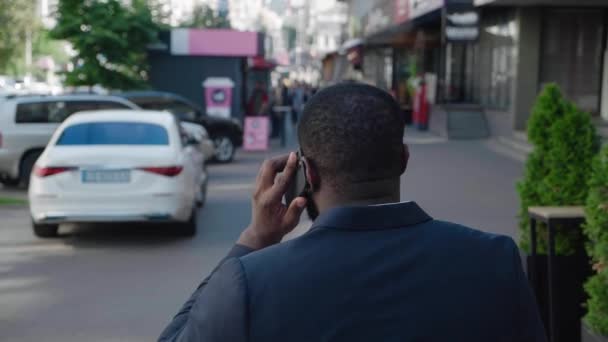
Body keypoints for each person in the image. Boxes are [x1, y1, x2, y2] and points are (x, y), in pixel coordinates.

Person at [158, 83, 547, 342]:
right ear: (403, 159)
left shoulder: (248, 283)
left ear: (306, 173)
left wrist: (254, 239)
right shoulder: (495, 260)